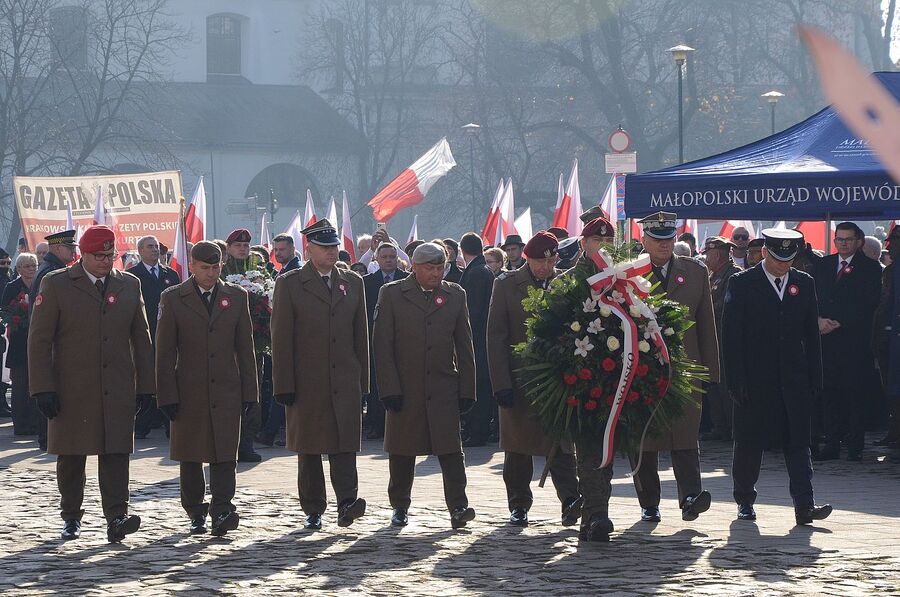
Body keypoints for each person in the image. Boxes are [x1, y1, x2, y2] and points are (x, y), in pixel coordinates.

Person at [28, 225, 155, 542]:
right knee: (71, 456)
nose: (105, 261)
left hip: (117, 385)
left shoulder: (129, 284)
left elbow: (142, 338)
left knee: (116, 453)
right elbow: (39, 340)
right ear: (82, 254)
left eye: (110, 255)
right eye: (99, 255)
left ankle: (117, 516)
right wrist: (42, 387)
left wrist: (147, 386)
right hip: (72, 387)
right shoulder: (56, 284)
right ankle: (71, 515)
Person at [722, 228, 832, 525]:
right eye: (779, 258)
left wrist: (815, 379)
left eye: (789, 259)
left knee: (798, 443)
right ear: (764, 253)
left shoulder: (803, 283)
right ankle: (744, 499)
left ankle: (804, 505)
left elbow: (811, 336)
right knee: (749, 443)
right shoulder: (743, 283)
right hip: (755, 380)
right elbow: (732, 337)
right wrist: (735, 381)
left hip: (793, 379)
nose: (784, 264)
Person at [271, 218, 369, 530]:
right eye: (325, 247)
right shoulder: (290, 284)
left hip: (344, 378)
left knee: (344, 445)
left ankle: (347, 503)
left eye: (334, 246)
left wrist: (363, 382)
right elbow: (282, 338)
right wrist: (284, 383)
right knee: (310, 448)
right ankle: (313, 507)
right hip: (307, 380)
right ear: (309, 249)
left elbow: (360, 337)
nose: (331, 252)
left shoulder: (353, 282)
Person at [156, 241, 258, 536]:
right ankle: (195, 509)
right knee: (191, 455)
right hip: (188, 389)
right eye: (205, 268)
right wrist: (166, 394)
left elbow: (245, 349)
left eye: (216, 268)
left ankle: (223, 508)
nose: (211, 274)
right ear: (192, 266)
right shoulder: (174, 298)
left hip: (227, 387)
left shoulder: (236, 297)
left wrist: (250, 393)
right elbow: (165, 352)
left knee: (225, 454)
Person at [373, 242, 477, 529]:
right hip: (406, 387)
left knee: (451, 451)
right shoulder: (393, 294)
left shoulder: (455, 295)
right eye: (429, 268)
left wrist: (468, 389)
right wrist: (389, 388)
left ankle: (458, 506)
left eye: (440, 267)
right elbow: (383, 345)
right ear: (414, 267)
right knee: (402, 451)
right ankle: (399, 505)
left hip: (443, 385)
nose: (435, 273)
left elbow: (464, 345)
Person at [488, 231, 582, 529]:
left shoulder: (566, 283)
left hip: (558, 377)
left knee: (562, 444)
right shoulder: (506, 285)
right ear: (526, 258)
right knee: (518, 446)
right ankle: (518, 504)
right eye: (539, 261)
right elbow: (496, 336)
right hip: (520, 377)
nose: (545, 267)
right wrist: (500, 382)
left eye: (551, 260)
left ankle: (570, 499)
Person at [634, 211, 719, 524]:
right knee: (645, 440)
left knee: (685, 436)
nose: (664, 244)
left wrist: (711, 371)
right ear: (643, 239)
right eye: (657, 239)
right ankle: (649, 501)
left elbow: (706, 325)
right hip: (642, 369)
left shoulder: (695, 271)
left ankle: (690, 497)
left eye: (669, 238)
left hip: (686, 368)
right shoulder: (629, 273)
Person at [813, 222, 882, 461]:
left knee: (854, 394)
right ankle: (832, 443)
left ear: (858, 241)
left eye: (848, 239)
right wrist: (819, 319)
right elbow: (814, 297)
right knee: (830, 393)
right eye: (839, 239)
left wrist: (840, 321)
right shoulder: (822, 265)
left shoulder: (870, 268)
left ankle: (855, 445)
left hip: (853, 340)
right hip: (826, 340)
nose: (843, 243)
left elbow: (869, 302)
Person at [28, 229, 78, 451]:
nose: (73, 251)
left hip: (56, 339)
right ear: (58, 248)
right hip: (51, 340)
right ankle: (45, 438)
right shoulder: (49, 273)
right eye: (70, 247)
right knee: (48, 388)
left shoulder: (55, 269)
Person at [128, 235, 181, 439]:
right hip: (144, 332)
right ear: (140, 250)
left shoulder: (171, 275)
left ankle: (169, 422)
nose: (154, 250)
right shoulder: (133, 276)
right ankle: (142, 424)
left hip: (167, 333)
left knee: (167, 377)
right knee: (145, 377)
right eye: (150, 247)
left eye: (157, 247)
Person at [362, 242, 409, 440]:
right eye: (384, 257)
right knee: (375, 382)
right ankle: (376, 423)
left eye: (392, 256)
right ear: (377, 259)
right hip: (374, 337)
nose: (388, 260)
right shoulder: (366, 282)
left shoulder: (407, 280)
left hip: (401, 338)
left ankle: (400, 421)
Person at [702, 236, 742, 441]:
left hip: (726, 337)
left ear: (717, 254)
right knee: (714, 383)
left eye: (708, 254)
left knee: (726, 383)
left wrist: (701, 311)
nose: (706, 258)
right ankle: (720, 426)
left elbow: (725, 305)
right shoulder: (712, 275)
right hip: (713, 337)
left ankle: (733, 427)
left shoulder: (734, 275)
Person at [458, 233, 496, 448]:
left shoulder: (475, 273)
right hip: (482, 338)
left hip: (477, 339)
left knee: (479, 385)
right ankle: (476, 428)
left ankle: (477, 429)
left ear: (463, 250)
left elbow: (472, 310)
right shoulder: (483, 270)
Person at [2, 253, 39, 435]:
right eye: (27, 265)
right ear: (18, 269)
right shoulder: (12, 287)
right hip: (18, 342)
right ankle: (21, 425)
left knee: (36, 383)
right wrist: (19, 315)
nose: (32, 268)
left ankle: (35, 423)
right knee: (19, 385)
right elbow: (5, 311)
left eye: (34, 265)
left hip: (37, 341)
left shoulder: (41, 283)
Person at [873, 226, 900, 447]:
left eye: (894, 241)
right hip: (891, 335)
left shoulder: (892, 272)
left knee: (894, 385)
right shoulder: (891, 270)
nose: (889, 246)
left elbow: (884, 306)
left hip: (893, 336)